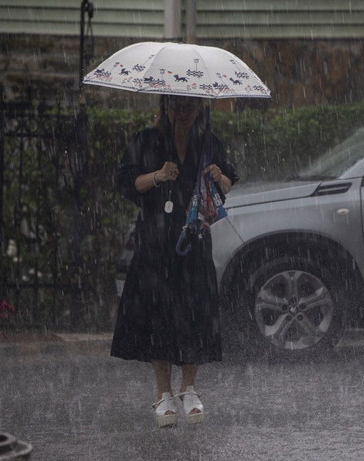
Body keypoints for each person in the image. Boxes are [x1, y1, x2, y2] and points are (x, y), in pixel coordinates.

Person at [112, 95, 238, 427]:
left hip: (194, 238)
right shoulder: (148, 140)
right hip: (155, 241)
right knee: (159, 315)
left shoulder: (208, 142)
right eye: (176, 107)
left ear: (199, 109)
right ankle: (163, 392)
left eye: (189, 107)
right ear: (165, 107)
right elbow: (128, 183)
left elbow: (228, 185)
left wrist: (217, 176)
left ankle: (189, 388)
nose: (182, 113)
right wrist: (158, 175)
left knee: (194, 311)